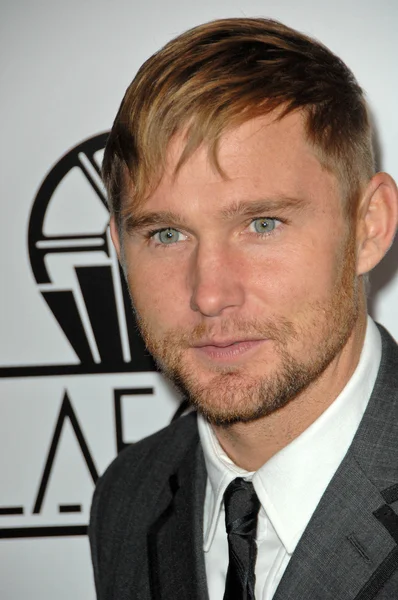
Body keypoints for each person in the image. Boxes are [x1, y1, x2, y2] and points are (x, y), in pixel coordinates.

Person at [89, 17, 398, 600]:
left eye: (262, 224)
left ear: (369, 226)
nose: (209, 294)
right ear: (118, 245)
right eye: (165, 235)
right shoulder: (128, 498)